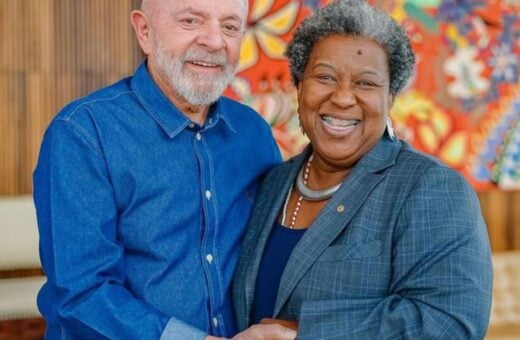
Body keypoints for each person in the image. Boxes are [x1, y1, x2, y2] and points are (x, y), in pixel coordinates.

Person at [33, 0, 297, 339]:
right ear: (144, 31)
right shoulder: (83, 133)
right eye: (191, 20)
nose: (215, 41)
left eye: (230, 26)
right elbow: (82, 295)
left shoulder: (254, 134)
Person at [233, 0, 493, 338]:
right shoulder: (274, 183)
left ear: (390, 98)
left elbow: (449, 323)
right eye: (325, 77)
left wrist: (302, 334)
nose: (342, 98)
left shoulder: (431, 187)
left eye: (366, 83)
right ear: (299, 87)